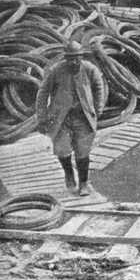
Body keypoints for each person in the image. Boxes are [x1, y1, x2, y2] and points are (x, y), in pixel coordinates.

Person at [36, 41, 105, 197]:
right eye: (70, 58)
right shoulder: (56, 70)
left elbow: (99, 87)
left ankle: (83, 183)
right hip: (61, 118)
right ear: (65, 58)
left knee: (83, 151)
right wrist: (42, 116)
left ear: (81, 56)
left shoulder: (90, 69)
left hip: (83, 117)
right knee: (62, 149)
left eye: (76, 58)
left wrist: (98, 108)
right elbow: (43, 93)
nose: (73, 62)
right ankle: (68, 174)